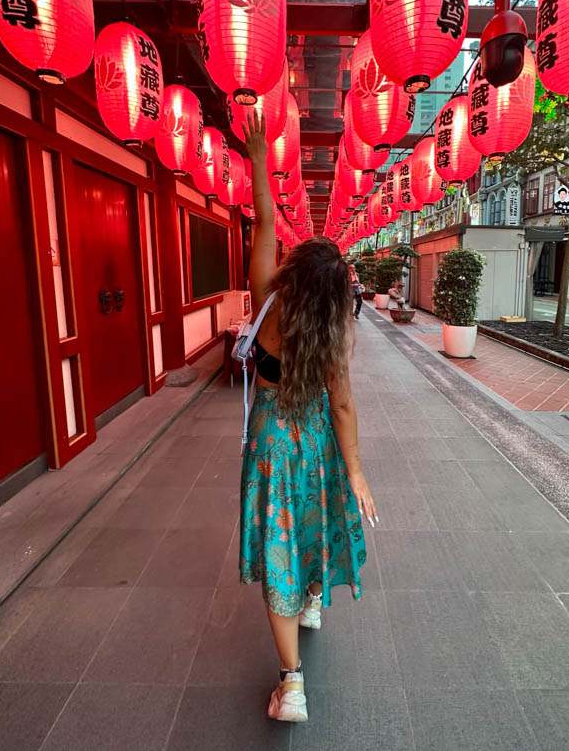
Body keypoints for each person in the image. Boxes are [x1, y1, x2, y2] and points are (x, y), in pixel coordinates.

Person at [240, 110, 377, 723]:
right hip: (315, 441)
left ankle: (291, 683)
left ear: (294, 271)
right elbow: (342, 402)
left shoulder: (268, 294)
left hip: (270, 442)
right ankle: (315, 598)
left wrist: (259, 154)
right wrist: (356, 473)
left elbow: (266, 217)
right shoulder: (329, 333)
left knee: (279, 544)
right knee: (314, 521)